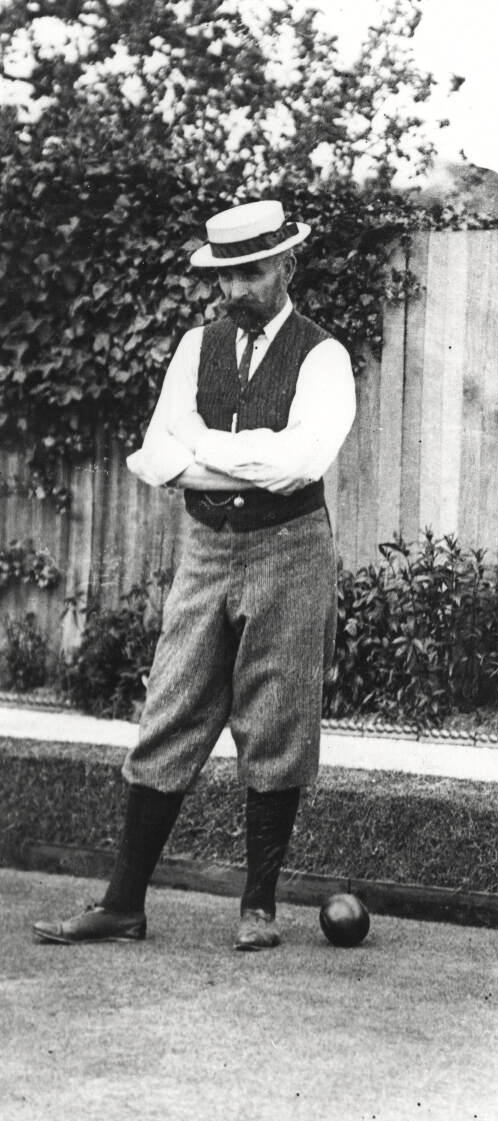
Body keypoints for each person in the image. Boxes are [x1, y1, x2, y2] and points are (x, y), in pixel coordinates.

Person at [34, 199, 356, 951]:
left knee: (277, 719)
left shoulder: (323, 356)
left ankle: (258, 907)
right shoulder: (194, 347)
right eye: (225, 275)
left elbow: (300, 463)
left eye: (251, 271)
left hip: (292, 547)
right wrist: (235, 456)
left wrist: (205, 446)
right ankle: (122, 903)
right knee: (169, 709)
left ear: (286, 265)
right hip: (207, 550)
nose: (237, 289)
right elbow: (156, 457)